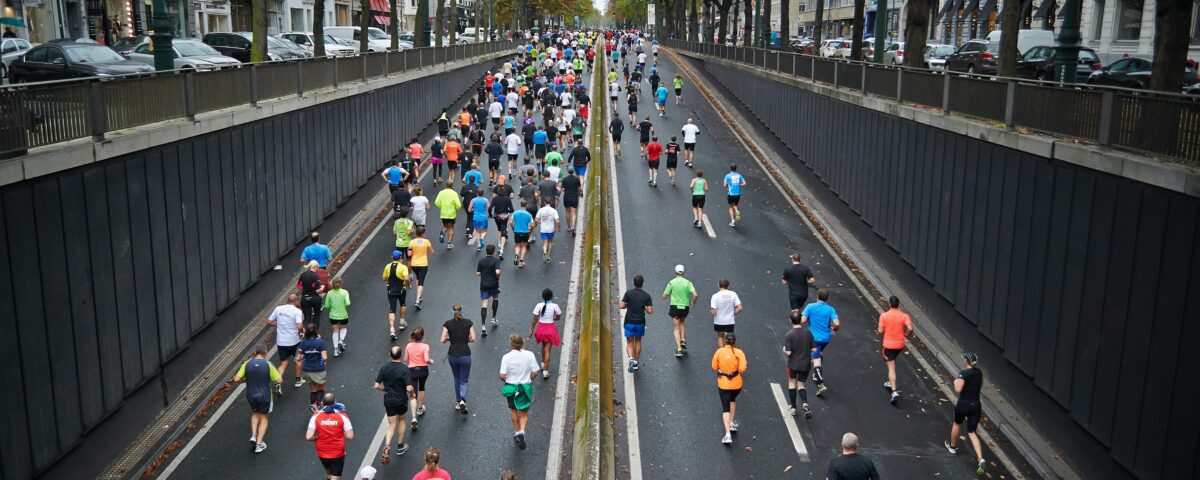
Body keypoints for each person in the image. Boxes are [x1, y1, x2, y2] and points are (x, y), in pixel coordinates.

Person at [945, 352, 987, 475]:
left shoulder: (963, 374)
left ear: (966, 361)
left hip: (963, 405)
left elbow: (958, 389)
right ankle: (980, 459)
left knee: (957, 423)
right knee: (972, 432)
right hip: (976, 406)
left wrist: (955, 382)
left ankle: (952, 447)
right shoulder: (979, 372)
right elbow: (980, 385)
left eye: (964, 359)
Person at [233, 346, 280, 454]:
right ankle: (259, 444)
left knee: (255, 412)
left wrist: (247, 379)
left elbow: (236, 379)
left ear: (255, 353)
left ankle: (254, 435)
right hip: (265, 396)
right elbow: (279, 380)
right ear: (265, 353)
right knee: (264, 418)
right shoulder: (268, 364)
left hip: (251, 395)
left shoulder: (247, 364)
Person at [374, 345, 415, 463]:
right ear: (401, 355)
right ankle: (400, 446)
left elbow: (377, 385)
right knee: (401, 420)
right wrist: (412, 394)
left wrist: (385, 389)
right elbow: (409, 388)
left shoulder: (384, 368)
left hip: (389, 399)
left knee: (391, 424)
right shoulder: (404, 369)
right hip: (401, 399)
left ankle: (387, 445)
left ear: (389, 354)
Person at [500, 334, 541, 450]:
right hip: (525, 387)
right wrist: (529, 379)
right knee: (523, 411)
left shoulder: (506, 357)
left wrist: (508, 380)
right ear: (522, 343)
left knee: (513, 409)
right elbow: (535, 372)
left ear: (511, 344)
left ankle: (517, 432)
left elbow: (502, 375)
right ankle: (522, 431)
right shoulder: (530, 355)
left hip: (512, 387)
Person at [307, 392, 355, 480]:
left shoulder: (315, 416)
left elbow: (309, 437)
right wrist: (340, 430)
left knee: (330, 474)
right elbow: (350, 436)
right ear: (335, 402)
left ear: (322, 403)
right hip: (337, 452)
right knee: (335, 477)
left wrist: (317, 437)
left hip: (322, 451)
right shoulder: (342, 416)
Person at [801, 289, 839, 397]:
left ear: (817, 296)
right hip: (826, 338)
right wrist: (834, 329)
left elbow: (803, 320)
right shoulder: (830, 309)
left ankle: (820, 383)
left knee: (816, 359)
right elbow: (837, 323)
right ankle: (816, 374)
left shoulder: (810, 306)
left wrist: (795, 320)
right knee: (818, 354)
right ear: (827, 299)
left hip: (814, 338)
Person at [711, 334, 747, 445]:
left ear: (725, 342)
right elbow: (742, 368)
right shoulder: (739, 353)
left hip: (724, 384)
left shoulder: (719, 352)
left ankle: (727, 435)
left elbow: (714, 367)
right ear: (735, 342)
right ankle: (731, 423)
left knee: (725, 407)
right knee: (732, 400)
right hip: (736, 384)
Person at [878, 295, 914, 406]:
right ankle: (890, 381)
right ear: (898, 304)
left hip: (889, 346)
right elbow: (910, 328)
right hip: (900, 345)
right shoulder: (904, 316)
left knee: (891, 367)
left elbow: (880, 331)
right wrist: (907, 334)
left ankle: (893, 391)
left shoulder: (884, 315)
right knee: (892, 362)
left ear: (889, 304)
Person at [441, 304, 476, 414]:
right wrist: (465, 339)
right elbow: (473, 338)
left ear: (452, 311)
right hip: (465, 354)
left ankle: (457, 401)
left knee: (456, 377)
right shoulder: (468, 322)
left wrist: (450, 338)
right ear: (462, 311)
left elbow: (442, 340)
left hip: (453, 355)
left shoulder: (447, 324)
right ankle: (463, 400)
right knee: (464, 379)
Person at [783, 311, 817, 419]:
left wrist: (784, 349)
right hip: (805, 364)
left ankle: (793, 408)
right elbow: (814, 349)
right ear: (801, 320)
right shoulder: (808, 333)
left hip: (793, 364)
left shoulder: (789, 335)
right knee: (801, 385)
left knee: (792, 383)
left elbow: (788, 352)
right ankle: (805, 404)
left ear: (790, 320)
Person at [269, 293, 305, 390]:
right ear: (296, 301)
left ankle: (278, 382)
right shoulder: (297, 311)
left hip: (281, 342)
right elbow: (299, 326)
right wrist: (303, 331)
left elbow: (269, 322)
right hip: (294, 341)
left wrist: (279, 324)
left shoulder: (278, 309)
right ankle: (298, 380)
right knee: (298, 359)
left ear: (287, 300)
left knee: (283, 363)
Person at [662, 264, 698, 358]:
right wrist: (693, 303)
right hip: (685, 307)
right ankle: (683, 339)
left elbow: (664, 296)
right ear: (683, 272)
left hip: (675, 306)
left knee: (675, 328)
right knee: (682, 321)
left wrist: (667, 294)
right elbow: (695, 294)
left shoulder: (671, 282)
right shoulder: (688, 282)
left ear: (675, 272)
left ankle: (679, 349)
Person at [619, 275, 654, 372]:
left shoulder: (629, 293)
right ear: (642, 284)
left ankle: (631, 359)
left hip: (629, 321)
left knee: (630, 342)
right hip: (640, 322)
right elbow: (650, 311)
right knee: (638, 341)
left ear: (634, 283)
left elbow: (621, 306)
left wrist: (627, 305)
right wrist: (645, 308)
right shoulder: (646, 296)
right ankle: (636, 362)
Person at [529, 288, 562, 380]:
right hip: (550, 329)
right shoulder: (555, 306)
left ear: (543, 296)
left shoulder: (539, 305)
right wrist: (554, 318)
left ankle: (543, 363)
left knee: (543, 347)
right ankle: (545, 371)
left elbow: (535, 318)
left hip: (541, 329)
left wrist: (532, 328)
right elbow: (558, 317)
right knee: (548, 350)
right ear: (551, 296)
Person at [403, 328, 433, 430]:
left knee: (413, 394)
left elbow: (405, 359)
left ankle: (414, 418)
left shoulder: (408, 346)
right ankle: (420, 409)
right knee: (422, 388)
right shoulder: (425, 346)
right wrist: (431, 361)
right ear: (422, 337)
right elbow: (426, 359)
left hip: (412, 371)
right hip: (423, 370)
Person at [296, 323, 329, 413]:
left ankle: (313, 409)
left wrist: (305, 356)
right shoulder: (320, 343)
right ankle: (316, 406)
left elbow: (298, 358)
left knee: (313, 390)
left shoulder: (302, 343)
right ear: (316, 332)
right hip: (318, 369)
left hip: (307, 370)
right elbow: (325, 357)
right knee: (321, 388)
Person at [383, 250, 413, 339]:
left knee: (392, 309)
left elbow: (384, 278)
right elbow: (406, 278)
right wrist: (408, 283)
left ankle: (392, 329)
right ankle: (402, 322)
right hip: (401, 289)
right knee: (403, 304)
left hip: (391, 289)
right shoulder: (403, 267)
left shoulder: (388, 266)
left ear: (392, 257)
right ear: (400, 258)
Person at [709, 278, 743, 347]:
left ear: (718, 285)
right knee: (729, 338)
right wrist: (733, 313)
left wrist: (711, 312)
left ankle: (722, 353)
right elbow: (740, 308)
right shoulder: (733, 294)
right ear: (728, 286)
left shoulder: (715, 296)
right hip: (729, 321)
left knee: (720, 337)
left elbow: (713, 312)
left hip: (719, 321)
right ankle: (729, 353)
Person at [477, 244, 503, 331]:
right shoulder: (496, 261)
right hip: (494, 284)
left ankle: (483, 326)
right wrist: (498, 276)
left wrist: (483, 273)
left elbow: (477, 273)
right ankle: (494, 318)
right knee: (495, 298)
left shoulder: (481, 261)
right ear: (493, 251)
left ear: (486, 251)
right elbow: (498, 271)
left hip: (484, 285)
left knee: (484, 304)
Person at [407, 226, 433, 310]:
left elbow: (409, 254)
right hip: (423, 264)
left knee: (418, 278)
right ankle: (417, 300)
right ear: (423, 233)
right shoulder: (426, 242)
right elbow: (432, 252)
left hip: (414, 264)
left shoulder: (411, 242)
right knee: (421, 282)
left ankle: (420, 296)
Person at [324, 277, 351, 357]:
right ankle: (341, 340)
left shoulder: (329, 293)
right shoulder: (344, 292)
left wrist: (331, 306)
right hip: (343, 314)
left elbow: (326, 305)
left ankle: (335, 350)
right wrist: (345, 307)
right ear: (341, 283)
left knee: (335, 330)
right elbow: (348, 303)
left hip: (333, 315)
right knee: (344, 328)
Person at [434, 182, 462, 249]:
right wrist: (456, 209)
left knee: (445, 226)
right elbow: (458, 205)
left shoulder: (441, 192)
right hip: (452, 214)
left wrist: (442, 207)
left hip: (444, 213)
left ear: (446, 185)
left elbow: (436, 202)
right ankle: (449, 243)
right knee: (451, 227)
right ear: (452, 185)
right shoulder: (454, 193)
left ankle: (442, 233)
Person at [510, 200, 535, 268]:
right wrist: (530, 229)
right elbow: (532, 225)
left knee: (517, 246)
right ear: (526, 205)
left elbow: (510, 222)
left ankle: (516, 255)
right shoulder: (529, 214)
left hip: (517, 232)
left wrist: (513, 228)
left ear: (520, 205)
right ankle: (521, 260)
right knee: (524, 246)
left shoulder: (515, 213)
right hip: (525, 232)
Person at [559, 169, 582, 235]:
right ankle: (573, 226)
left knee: (567, 212)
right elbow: (579, 188)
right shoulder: (577, 179)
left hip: (567, 197)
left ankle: (569, 226)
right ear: (573, 171)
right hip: (574, 197)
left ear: (568, 171)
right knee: (574, 213)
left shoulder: (565, 179)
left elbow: (563, 189)